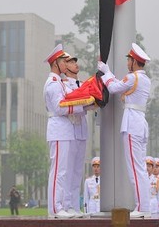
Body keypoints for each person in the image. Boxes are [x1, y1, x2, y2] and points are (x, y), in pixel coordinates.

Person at [98, 42, 152, 218]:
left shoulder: (133, 77)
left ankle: (142, 208)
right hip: (141, 123)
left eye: (129, 60)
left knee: (135, 169)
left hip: (132, 124)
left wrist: (106, 73)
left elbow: (113, 88)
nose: (127, 63)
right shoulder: (145, 79)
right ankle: (144, 206)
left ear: (135, 62)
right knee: (140, 168)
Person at [44, 44, 90, 218]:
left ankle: (64, 206)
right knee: (59, 171)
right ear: (56, 62)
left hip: (65, 129)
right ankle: (56, 209)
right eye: (63, 60)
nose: (66, 63)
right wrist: (82, 107)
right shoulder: (54, 84)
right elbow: (60, 108)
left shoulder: (58, 83)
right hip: (58, 129)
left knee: (66, 171)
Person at [63, 52, 88, 217]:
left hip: (81, 129)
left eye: (75, 61)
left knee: (78, 170)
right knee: (68, 170)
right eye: (71, 62)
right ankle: (66, 206)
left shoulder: (83, 83)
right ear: (65, 67)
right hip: (70, 128)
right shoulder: (63, 84)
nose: (75, 64)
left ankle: (74, 206)